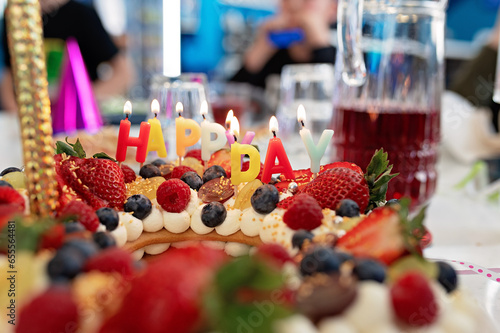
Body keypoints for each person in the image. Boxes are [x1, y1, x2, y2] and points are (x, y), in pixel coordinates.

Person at [0, 0, 134, 112]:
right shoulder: (16, 16)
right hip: (31, 120)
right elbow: (10, 73)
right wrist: (15, 111)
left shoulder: (81, 15)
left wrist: (80, 101)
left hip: (76, 122)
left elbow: (124, 74)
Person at [230, 0, 337, 89]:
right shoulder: (271, 55)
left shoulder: (341, 61)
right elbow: (232, 98)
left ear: (333, 10)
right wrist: (259, 51)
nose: (294, 4)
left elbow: (336, 91)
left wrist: (321, 46)